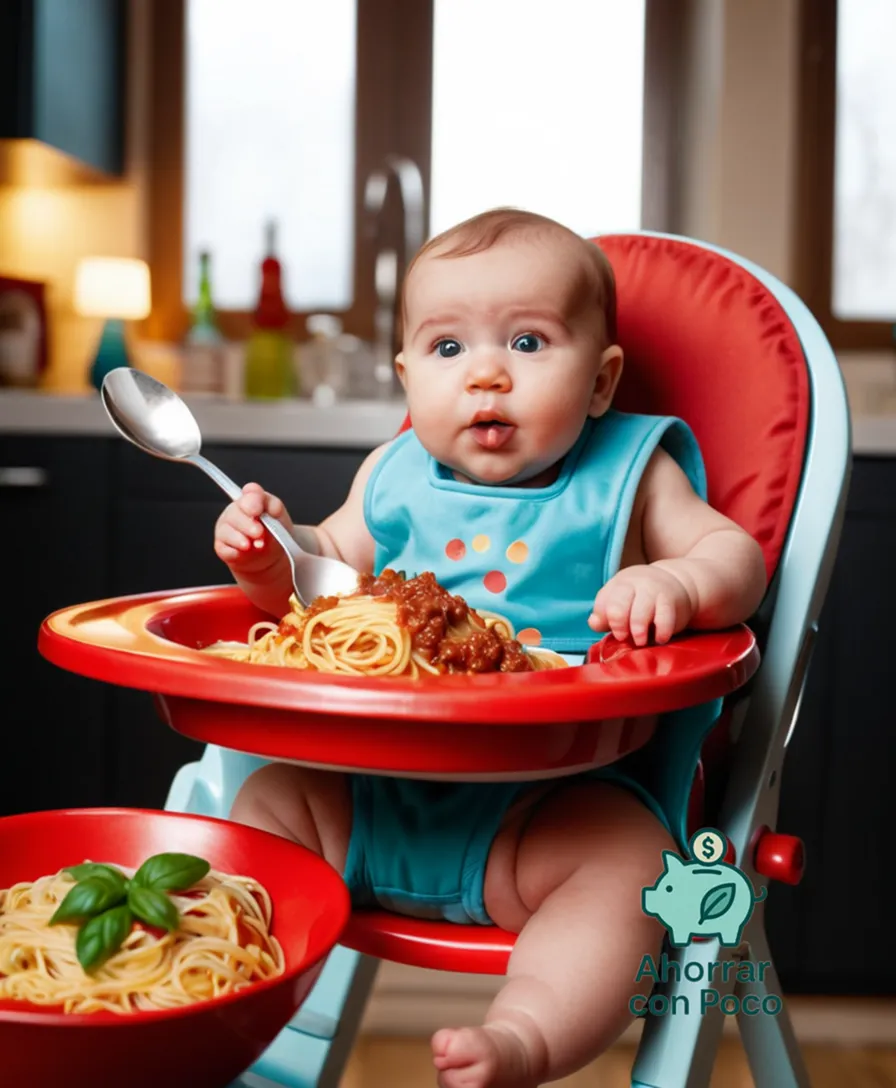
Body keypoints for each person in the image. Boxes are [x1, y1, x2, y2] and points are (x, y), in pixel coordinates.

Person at [214, 208, 767, 1087]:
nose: (485, 376)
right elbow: (319, 574)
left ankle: (526, 1038)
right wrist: (272, 553)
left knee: (632, 876)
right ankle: (234, 1021)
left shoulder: (629, 470)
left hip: (544, 814)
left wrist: (678, 585)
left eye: (528, 342)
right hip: (366, 798)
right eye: (446, 351)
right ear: (406, 380)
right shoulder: (391, 474)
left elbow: (735, 555)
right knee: (257, 809)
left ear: (600, 379)